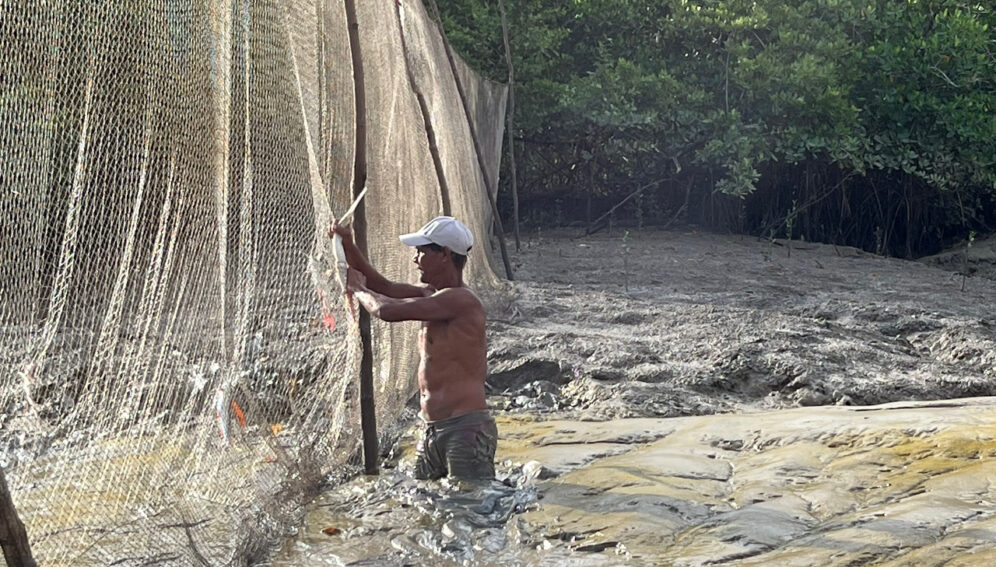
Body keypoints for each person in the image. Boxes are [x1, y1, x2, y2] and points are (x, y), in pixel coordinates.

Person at [329, 216, 497, 481]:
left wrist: (357, 289)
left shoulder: (461, 300)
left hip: (464, 430)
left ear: (444, 254)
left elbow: (386, 310)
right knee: (428, 509)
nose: (415, 258)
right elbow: (383, 287)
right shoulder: (432, 293)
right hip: (433, 429)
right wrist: (349, 245)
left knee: (471, 509)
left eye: (421, 251)